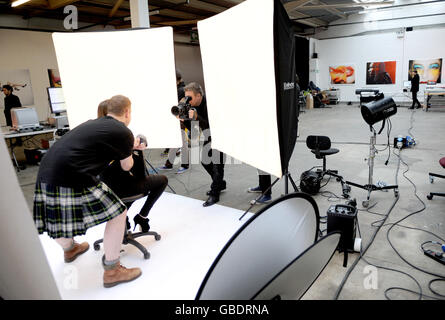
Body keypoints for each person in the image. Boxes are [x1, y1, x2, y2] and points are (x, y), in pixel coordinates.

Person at [33, 95, 143, 288]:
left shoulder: (94, 123)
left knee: (57, 220)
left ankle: (70, 249)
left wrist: (126, 146)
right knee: (119, 213)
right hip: (73, 175)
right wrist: (133, 148)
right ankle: (113, 270)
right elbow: (127, 167)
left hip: (46, 173)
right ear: (127, 112)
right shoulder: (123, 131)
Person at [97, 99, 168, 232]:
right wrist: (136, 150)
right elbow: (137, 173)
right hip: (122, 188)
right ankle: (142, 217)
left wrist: (133, 146)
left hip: (104, 189)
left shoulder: (98, 135)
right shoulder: (120, 136)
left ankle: (123, 219)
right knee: (162, 180)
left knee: (131, 186)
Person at [184, 82, 226, 207]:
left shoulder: (210, 103)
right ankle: (219, 184)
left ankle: (215, 193)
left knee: (218, 166)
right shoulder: (193, 105)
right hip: (209, 135)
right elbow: (194, 128)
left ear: (198, 96)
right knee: (205, 160)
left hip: (220, 134)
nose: (188, 100)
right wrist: (185, 120)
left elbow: (210, 125)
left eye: (189, 97)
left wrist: (196, 116)